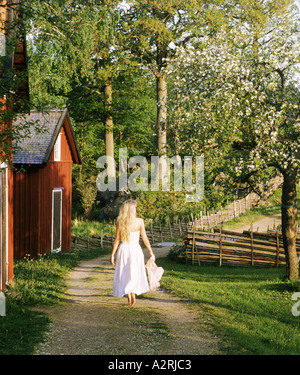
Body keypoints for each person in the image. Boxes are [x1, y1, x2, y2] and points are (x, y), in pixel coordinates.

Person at [110, 199, 155, 306]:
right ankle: (132, 291)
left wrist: (112, 254)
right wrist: (151, 252)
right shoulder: (139, 221)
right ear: (131, 210)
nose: (136, 209)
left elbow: (117, 239)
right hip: (135, 249)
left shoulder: (120, 221)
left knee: (124, 272)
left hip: (124, 249)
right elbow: (144, 238)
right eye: (134, 207)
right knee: (134, 272)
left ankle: (129, 293)